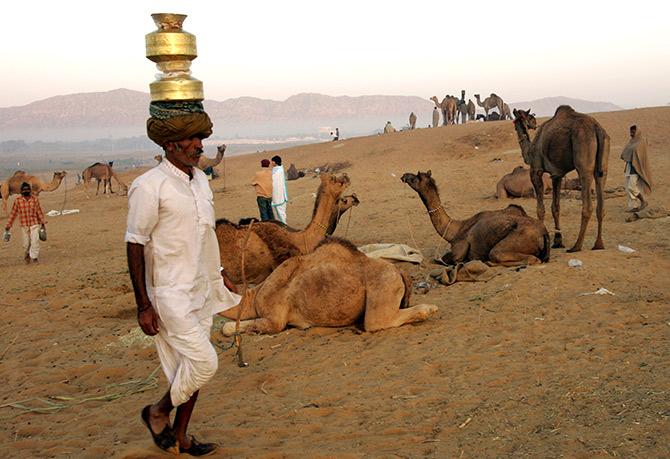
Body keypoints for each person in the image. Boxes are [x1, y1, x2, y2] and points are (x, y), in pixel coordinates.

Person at [127, 100, 241, 455]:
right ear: (169, 145)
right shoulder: (150, 186)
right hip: (169, 294)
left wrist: (219, 274)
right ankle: (157, 412)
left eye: (199, 139)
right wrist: (143, 305)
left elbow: (206, 235)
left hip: (201, 288)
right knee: (206, 362)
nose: (199, 145)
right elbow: (134, 243)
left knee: (190, 369)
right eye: (191, 140)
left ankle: (180, 437)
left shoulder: (201, 182)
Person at [5, 181, 46, 264]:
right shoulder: (18, 201)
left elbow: (39, 211)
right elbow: (13, 213)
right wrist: (9, 225)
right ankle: (27, 253)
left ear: (30, 190)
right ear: (21, 191)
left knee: (35, 241)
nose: (26, 191)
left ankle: (34, 257)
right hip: (24, 225)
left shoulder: (35, 200)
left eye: (27, 190)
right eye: (24, 190)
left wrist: (42, 223)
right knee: (26, 243)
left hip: (34, 223)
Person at [620, 125, 652, 212]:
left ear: (637, 131)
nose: (631, 133)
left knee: (632, 187)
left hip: (636, 167)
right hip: (629, 167)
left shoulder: (642, 141)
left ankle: (643, 201)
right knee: (628, 188)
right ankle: (633, 207)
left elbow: (640, 155)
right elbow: (626, 152)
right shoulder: (631, 141)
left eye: (633, 132)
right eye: (630, 132)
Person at [270, 154, 288, 223]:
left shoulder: (278, 171)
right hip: (279, 195)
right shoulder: (277, 170)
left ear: (275, 162)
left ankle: (285, 226)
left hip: (279, 195)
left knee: (281, 213)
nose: (271, 163)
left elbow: (274, 182)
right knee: (278, 214)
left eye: (272, 162)